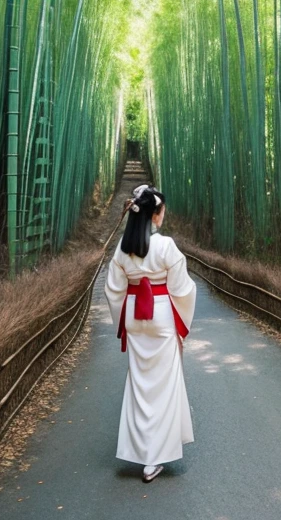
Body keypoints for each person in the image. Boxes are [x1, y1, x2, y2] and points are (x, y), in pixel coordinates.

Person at [104, 184, 196, 482]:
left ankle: (137, 450)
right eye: (162, 211)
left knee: (139, 384)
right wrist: (182, 322)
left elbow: (113, 289)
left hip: (134, 315)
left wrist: (123, 319)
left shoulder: (122, 248)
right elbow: (182, 289)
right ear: (156, 215)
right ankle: (153, 459)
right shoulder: (166, 246)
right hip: (161, 318)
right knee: (164, 387)